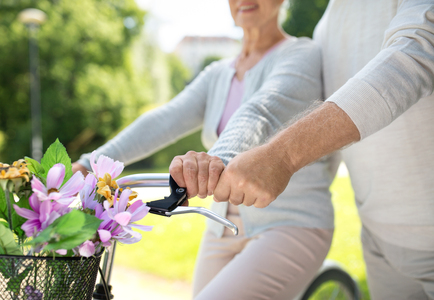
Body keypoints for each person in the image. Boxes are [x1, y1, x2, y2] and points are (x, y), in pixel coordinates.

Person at [73, 1, 339, 298]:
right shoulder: (218, 73)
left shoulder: (301, 53)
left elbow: (261, 112)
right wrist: (88, 164)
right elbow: (166, 119)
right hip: (222, 225)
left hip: (292, 221)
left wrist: (214, 162)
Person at [171, 1, 434, 299]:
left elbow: (416, 54)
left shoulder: (303, 49)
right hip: (377, 237)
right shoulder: (326, 26)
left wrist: (281, 155)